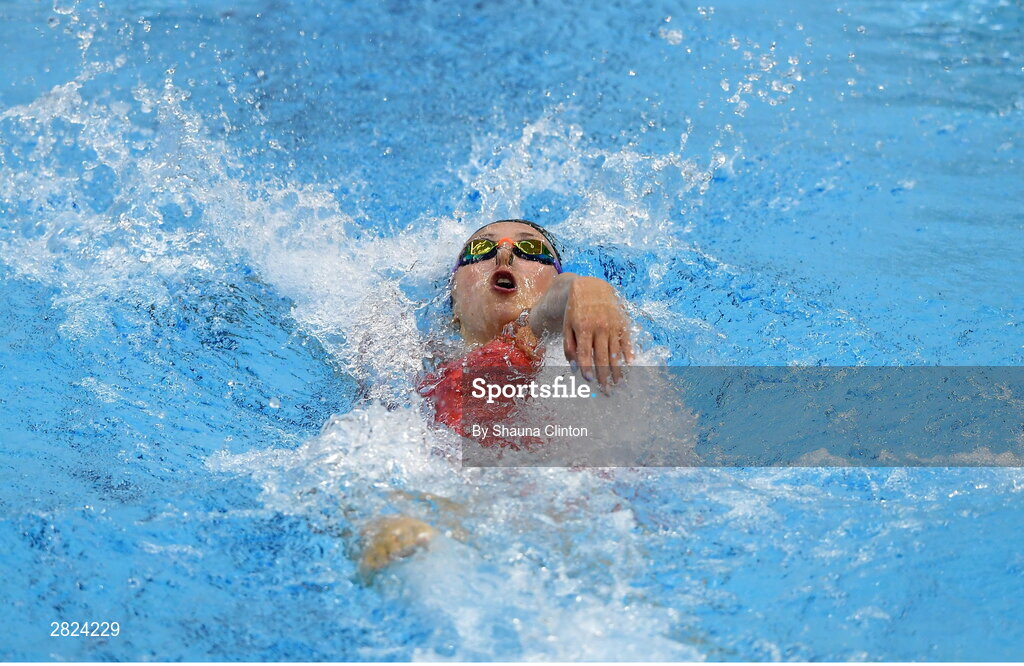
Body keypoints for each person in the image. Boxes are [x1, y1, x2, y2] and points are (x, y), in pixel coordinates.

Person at [358, 219, 633, 577]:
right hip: (451, 518)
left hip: (569, 528)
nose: (504, 253)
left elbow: (546, 314)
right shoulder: (409, 374)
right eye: (480, 250)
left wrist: (589, 289)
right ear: (453, 302)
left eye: (531, 250)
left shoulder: (545, 359)